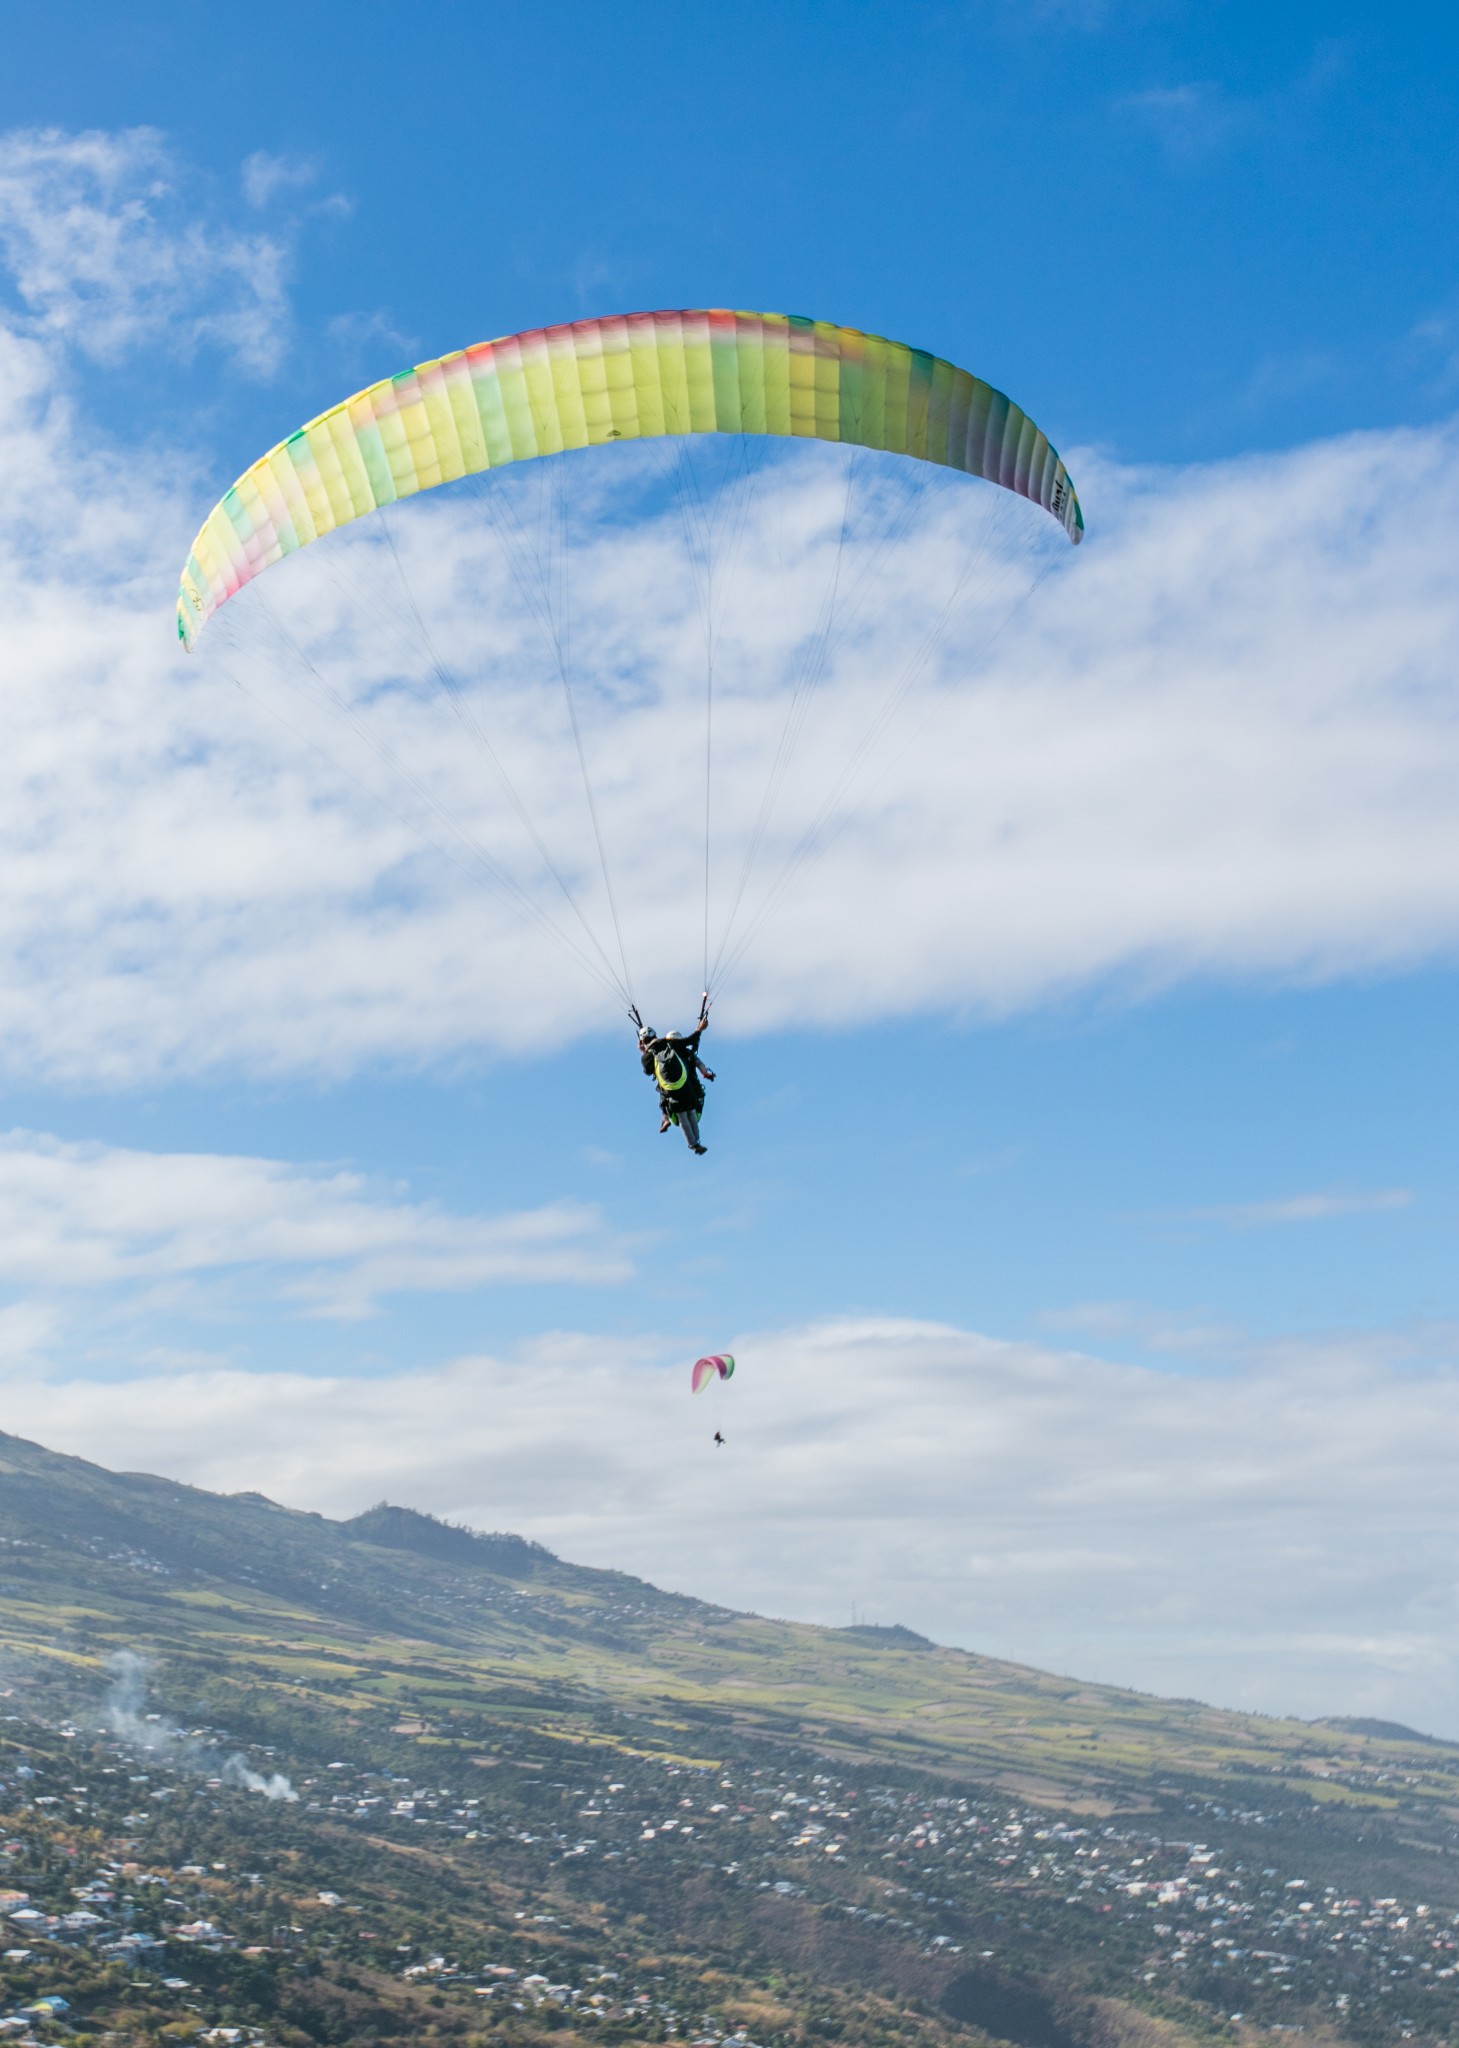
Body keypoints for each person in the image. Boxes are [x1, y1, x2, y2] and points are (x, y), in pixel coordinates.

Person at [636, 1001, 715, 1154]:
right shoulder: (670, 1045)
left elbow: (648, 1072)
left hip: (671, 1093)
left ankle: (692, 1143)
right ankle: (696, 1141)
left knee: (682, 1117)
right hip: (687, 1088)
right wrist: (700, 1029)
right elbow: (690, 1042)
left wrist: (643, 1052)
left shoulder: (647, 1056)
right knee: (691, 1112)